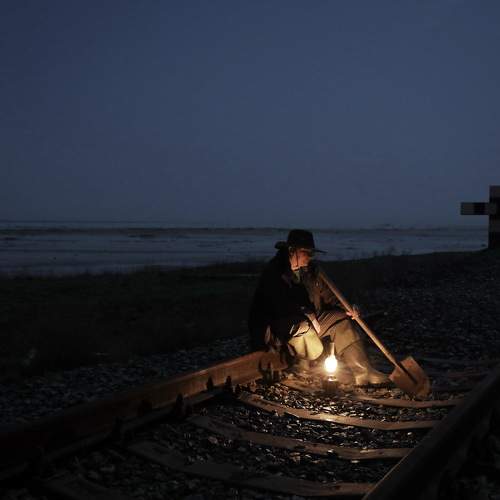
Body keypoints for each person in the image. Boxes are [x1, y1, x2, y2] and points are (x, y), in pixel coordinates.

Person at [248, 229, 388, 385]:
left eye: (312, 253)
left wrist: (347, 307)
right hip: (280, 328)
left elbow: (330, 296)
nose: (310, 256)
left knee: (341, 321)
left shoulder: (310, 272)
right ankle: (301, 367)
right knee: (304, 327)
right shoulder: (275, 272)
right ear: (292, 251)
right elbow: (276, 306)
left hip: (311, 321)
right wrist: (305, 313)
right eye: (307, 252)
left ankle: (363, 373)